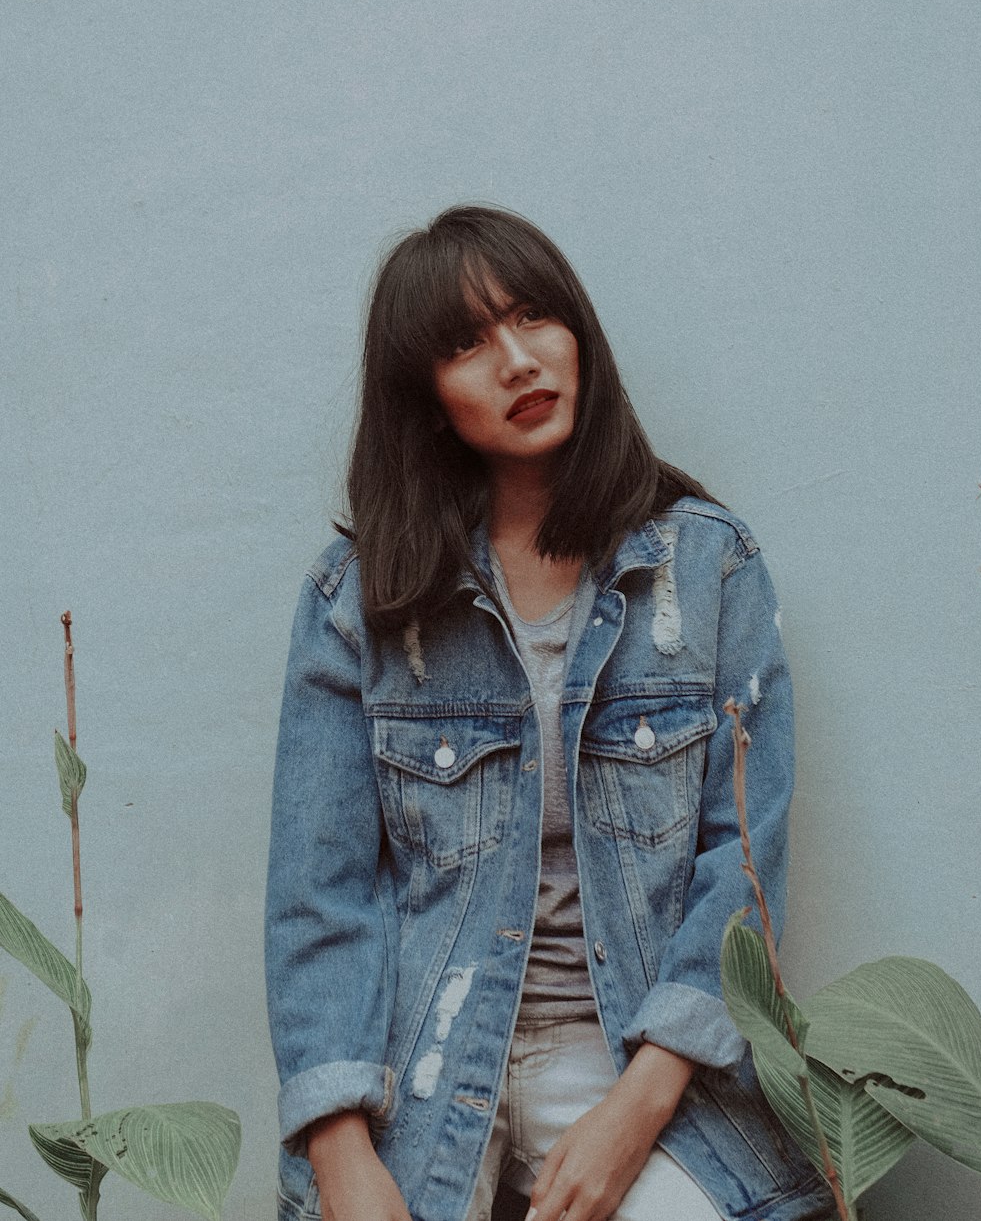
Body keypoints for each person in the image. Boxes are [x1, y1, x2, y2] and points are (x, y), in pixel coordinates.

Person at [265, 206, 834, 1221]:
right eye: (466, 342)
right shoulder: (355, 602)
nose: (518, 360)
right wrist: (345, 1156)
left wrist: (633, 1109)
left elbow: (739, 869)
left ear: (579, 332)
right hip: (424, 1072)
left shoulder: (706, 569)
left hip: (642, 1064)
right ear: (427, 398)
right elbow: (322, 898)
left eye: (534, 316)